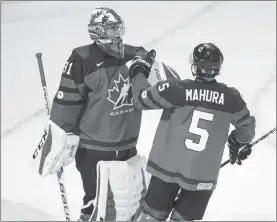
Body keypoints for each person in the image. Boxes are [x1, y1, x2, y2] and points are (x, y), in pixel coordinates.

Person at [34, 7, 180, 221]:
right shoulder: (82, 59)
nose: (116, 34)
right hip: (94, 149)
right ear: (96, 31)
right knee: (98, 206)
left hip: (127, 146)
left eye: (117, 28)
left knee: (130, 207)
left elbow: (170, 85)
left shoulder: (135, 54)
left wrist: (159, 72)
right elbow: (67, 102)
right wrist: (60, 136)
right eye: (110, 29)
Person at [128, 44, 256, 221]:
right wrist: (238, 142)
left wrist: (138, 72)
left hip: (167, 169)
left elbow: (141, 99)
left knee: (152, 217)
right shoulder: (231, 98)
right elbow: (246, 129)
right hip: (203, 177)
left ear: (195, 65)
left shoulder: (175, 89)